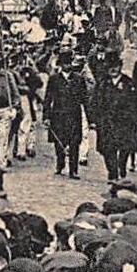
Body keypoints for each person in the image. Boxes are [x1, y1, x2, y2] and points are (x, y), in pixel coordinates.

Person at [44, 49, 88, 180]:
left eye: (69, 63)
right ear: (61, 64)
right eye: (65, 63)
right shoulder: (54, 79)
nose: (68, 66)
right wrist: (46, 117)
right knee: (60, 142)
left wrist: (91, 118)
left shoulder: (79, 79)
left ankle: (73, 170)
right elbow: (48, 98)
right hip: (58, 115)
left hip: (74, 115)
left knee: (74, 142)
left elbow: (85, 99)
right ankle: (60, 163)